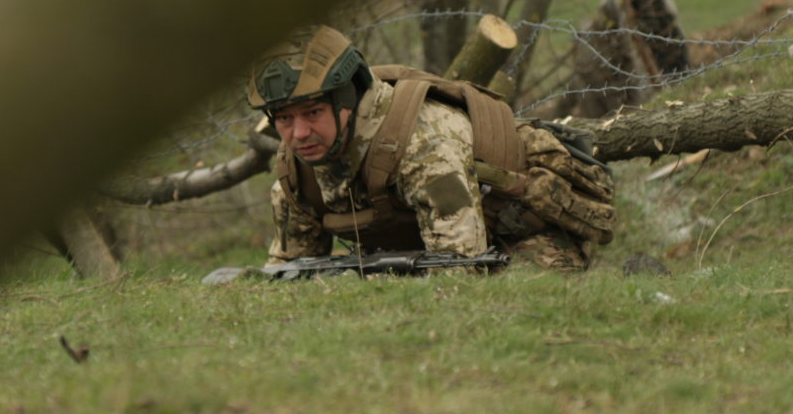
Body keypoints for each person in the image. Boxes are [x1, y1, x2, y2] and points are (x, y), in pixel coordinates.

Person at [247, 25, 615, 271]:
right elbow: (289, 276)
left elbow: (458, 273)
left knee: (514, 299)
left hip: (517, 238)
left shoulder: (424, 150)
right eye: (284, 120)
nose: (299, 134)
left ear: (347, 100)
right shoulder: (296, 174)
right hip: (410, 253)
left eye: (312, 113)